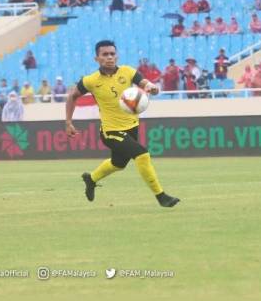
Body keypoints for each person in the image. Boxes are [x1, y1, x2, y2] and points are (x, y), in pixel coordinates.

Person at [65, 40, 180, 207]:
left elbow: (144, 83)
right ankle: (161, 196)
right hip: (110, 132)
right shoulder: (91, 80)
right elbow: (72, 97)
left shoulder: (127, 72)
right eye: (105, 54)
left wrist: (151, 88)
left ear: (116, 56)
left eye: (112, 54)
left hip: (132, 126)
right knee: (142, 155)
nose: (109, 57)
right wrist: (68, 122)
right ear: (96, 58)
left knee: (118, 164)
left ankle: (91, 178)